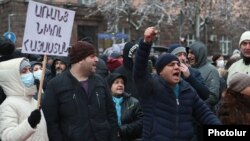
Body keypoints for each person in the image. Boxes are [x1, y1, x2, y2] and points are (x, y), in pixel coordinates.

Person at [133, 27, 221, 141]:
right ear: (160, 72)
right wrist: (146, 43)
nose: (176, 67)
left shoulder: (187, 90)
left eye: (177, 64)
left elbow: (205, 114)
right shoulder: (151, 86)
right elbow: (139, 70)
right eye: (171, 65)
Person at [42, 41, 118, 141]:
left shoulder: (100, 81)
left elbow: (111, 115)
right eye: (92, 56)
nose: (96, 60)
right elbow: (51, 123)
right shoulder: (55, 85)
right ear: (80, 59)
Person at [0, 57, 49, 141]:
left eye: (29, 70)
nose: (29, 73)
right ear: (13, 77)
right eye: (24, 71)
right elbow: (7, 137)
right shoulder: (8, 105)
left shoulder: (34, 101)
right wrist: (29, 123)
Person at [106, 73, 143, 141]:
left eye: (122, 83)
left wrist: (122, 130)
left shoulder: (133, 102)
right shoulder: (105, 103)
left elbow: (141, 122)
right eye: (116, 82)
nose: (120, 85)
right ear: (110, 86)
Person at [188, 41, 221, 111]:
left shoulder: (211, 70)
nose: (189, 56)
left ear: (200, 54)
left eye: (192, 53)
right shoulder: (189, 69)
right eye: (188, 53)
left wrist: (196, 106)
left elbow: (213, 97)